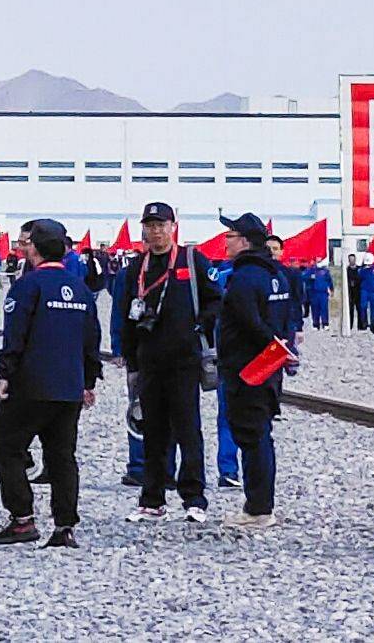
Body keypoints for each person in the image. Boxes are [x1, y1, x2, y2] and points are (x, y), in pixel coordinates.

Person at [0, 219, 98, 548]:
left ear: (33, 248)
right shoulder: (80, 289)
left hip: (32, 384)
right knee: (62, 455)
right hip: (70, 386)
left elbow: (15, 335)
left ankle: (22, 518)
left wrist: (4, 373)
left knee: (4, 441)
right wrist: (88, 380)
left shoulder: (28, 286)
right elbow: (92, 339)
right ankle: (65, 526)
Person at [115, 201, 213, 522]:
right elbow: (125, 315)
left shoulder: (191, 260)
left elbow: (216, 301)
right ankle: (152, 498)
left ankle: (194, 499)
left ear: (173, 226)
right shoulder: (136, 267)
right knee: (153, 432)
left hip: (184, 362)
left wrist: (199, 329)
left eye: (161, 225)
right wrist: (130, 360)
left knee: (188, 430)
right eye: (150, 225)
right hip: (149, 363)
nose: (156, 231)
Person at [212, 215, 289, 529]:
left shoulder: (244, 278)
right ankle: (260, 503)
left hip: (248, 369)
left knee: (252, 436)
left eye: (229, 235)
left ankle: (258, 508)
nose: (225, 241)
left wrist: (268, 347)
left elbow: (250, 323)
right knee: (261, 436)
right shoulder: (276, 275)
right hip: (269, 366)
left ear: (244, 240)